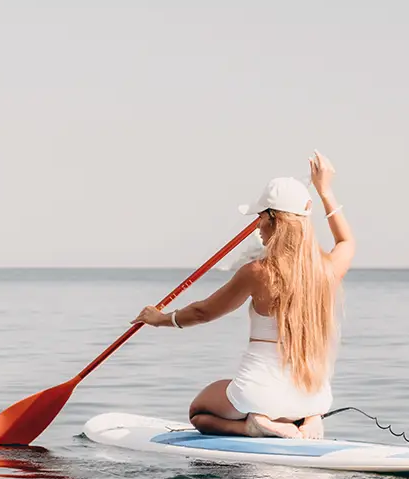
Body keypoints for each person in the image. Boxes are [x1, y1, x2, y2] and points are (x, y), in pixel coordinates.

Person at [131, 150, 356, 439]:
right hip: (315, 396)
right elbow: (346, 240)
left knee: (198, 412)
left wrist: (160, 318)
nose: (257, 227)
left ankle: (253, 426)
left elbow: (203, 312)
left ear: (274, 220)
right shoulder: (328, 270)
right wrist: (326, 191)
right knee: (293, 398)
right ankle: (309, 419)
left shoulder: (258, 272)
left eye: (260, 218)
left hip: (259, 396)